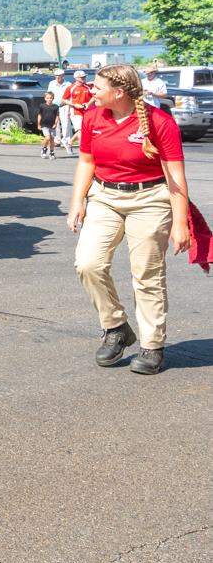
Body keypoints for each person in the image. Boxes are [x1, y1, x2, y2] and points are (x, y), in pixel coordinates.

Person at [67, 63, 190, 375]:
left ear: (118, 93)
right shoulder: (93, 116)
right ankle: (117, 327)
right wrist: (76, 202)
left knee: (147, 275)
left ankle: (152, 346)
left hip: (150, 199)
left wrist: (179, 223)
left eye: (96, 87)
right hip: (105, 197)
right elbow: (86, 162)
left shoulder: (159, 122)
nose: (91, 91)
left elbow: (175, 176)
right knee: (88, 263)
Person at [63, 70, 94, 150]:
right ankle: (83, 150)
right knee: (80, 131)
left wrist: (88, 104)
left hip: (86, 111)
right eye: (82, 77)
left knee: (85, 130)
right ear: (76, 78)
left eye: (84, 77)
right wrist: (74, 105)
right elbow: (64, 99)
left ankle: (70, 142)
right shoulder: (71, 88)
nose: (84, 78)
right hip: (75, 112)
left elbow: (93, 96)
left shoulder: (88, 87)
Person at [47, 68, 72, 151]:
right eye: (56, 75)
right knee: (55, 124)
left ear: (63, 76)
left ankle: (66, 141)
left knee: (65, 124)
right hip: (54, 106)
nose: (57, 77)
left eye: (59, 76)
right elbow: (49, 93)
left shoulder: (68, 84)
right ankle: (56, 140)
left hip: (64, 106)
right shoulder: (51, 83)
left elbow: (70, 96)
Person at [38, 93, 61, 159]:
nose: (49, 99)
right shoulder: (42, 106)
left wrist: (55, 123)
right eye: (48, 98)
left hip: (52, 124)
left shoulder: (55, 107)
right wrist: (39, 124)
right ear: (45, 98)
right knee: (47, 138)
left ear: (53, 98)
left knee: (52, 139)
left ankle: (51, 152)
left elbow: (57, 116)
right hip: (44, 124)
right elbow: (40, 115)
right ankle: (44, 150)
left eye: (51, 98)